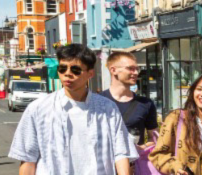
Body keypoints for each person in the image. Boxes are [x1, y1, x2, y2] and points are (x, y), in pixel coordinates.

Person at [8, 44, 138, 175]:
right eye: (62, 69)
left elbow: (121, 153)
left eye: (75, 70)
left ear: (90, 73)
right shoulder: (38, 108)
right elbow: (28, 159)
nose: (68, 74)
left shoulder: (107, 108)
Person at [101, 52, 158, 148]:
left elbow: (154, 138)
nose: (136, 73)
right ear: (113, 70)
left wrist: (139, 148)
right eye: (130, 68)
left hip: (133, 162)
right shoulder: (98, 101)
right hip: (104, 161)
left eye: (137, 69)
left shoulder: (145, 103)